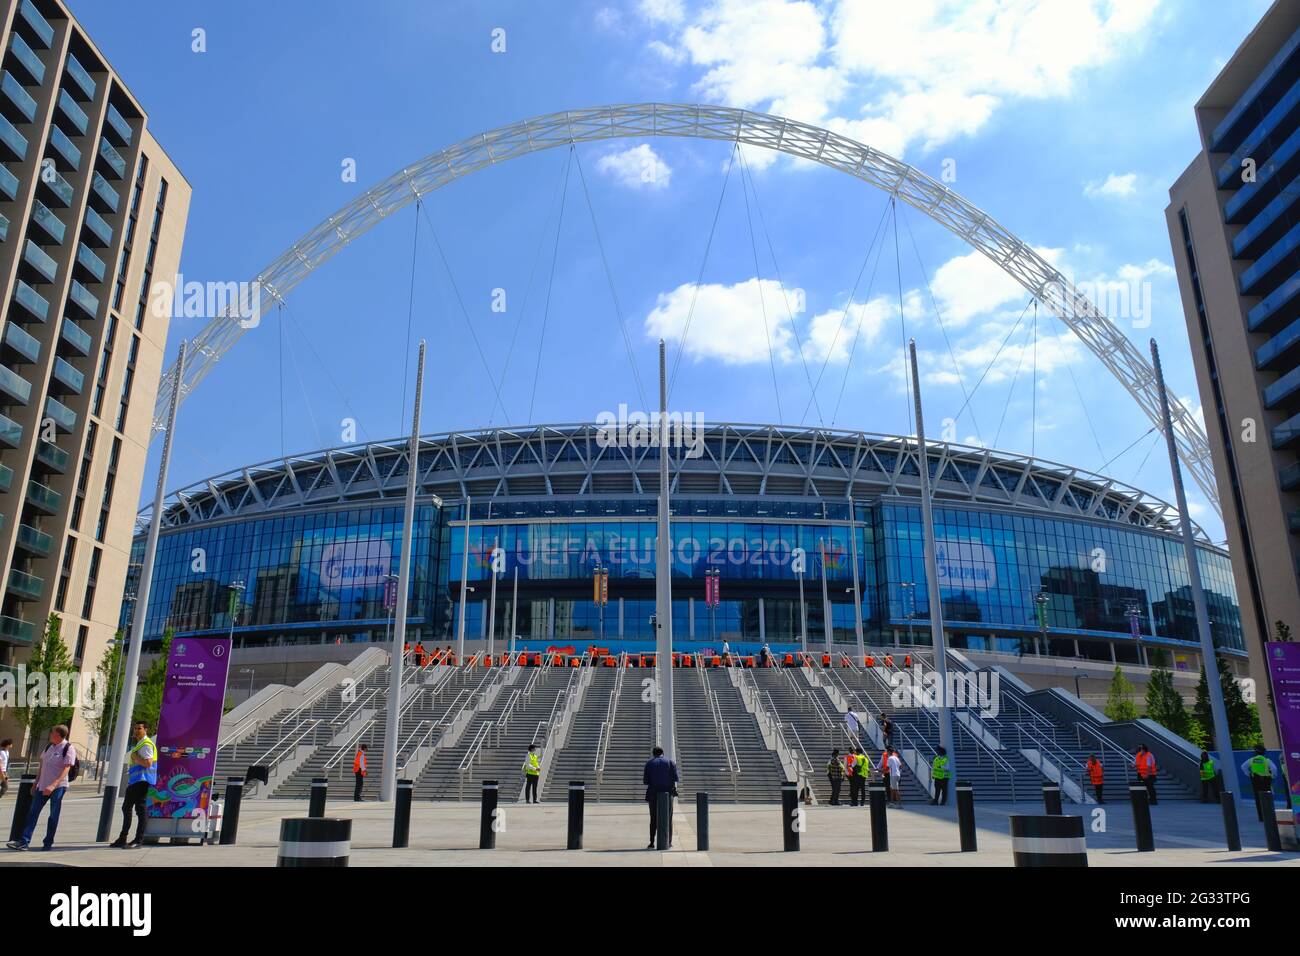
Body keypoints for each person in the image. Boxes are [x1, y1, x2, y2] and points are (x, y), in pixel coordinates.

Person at [7, 725, 75, 851]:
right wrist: (35, 783)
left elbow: (66, 768)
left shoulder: (68, 748)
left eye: (52, 733)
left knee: (53, 815)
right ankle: (24, 842)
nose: (50, 735)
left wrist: (54, 785)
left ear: (58, 735)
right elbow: (42, 766)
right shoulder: (49, 747)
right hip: (42, 785)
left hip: (58, 787)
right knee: (32, 813)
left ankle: (48, 843)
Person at [110, 722, 156, 848]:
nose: (136, 731)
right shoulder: (140, 743)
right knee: (127, 807)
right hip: (136, 780)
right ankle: (123, 837)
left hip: (142, 780)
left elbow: (148, 763)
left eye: (139, 728)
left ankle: (138, 840)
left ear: (146, 729)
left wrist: (136, 759)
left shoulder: (146, 744)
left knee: (140, 809)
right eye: (135, 728)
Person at [643, 746, 679, 849]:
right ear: (663, 753)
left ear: (653, 754)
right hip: (668, 794)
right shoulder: (670, 762)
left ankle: (651, 842)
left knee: (653, 818)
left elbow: (646, 781)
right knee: (668, 818)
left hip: (653, 793)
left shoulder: (649, 763)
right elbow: (676, 778)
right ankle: (669, 841)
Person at [1241, 744, 1278, 822]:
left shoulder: (1251, 760)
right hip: (1265, 781)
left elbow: (1243, 766)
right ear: (1263, 752)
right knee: (1267, 798)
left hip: (1255, 780)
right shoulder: (1267, 760)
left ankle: (1261, 817)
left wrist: (1249, 774)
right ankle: (1269, 815)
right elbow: (1274, 769)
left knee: (1258, 799)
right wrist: (1272, 776)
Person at [0, 738, 10, 803]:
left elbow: (6, 763)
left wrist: (6, 773)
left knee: (5, 787)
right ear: (8, 745)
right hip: (1, 772)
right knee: (5, 786)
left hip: (4, 771)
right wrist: (2, 774)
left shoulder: (7, 752)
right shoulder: (1, 752)